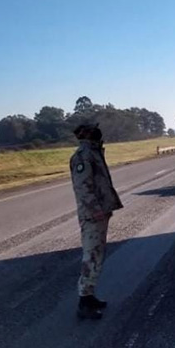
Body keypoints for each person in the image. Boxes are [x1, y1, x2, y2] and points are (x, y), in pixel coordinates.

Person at [70, 122, 123, 319]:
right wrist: (96, 209)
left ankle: (89, 296)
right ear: (90, 135)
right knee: (91, 255)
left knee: (96, 254)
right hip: (93, 214)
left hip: (99, 211)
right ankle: (84, 300)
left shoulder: (93, 153)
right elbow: (83, 187)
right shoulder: (83, 156)